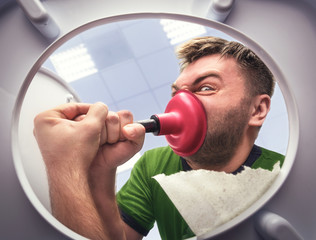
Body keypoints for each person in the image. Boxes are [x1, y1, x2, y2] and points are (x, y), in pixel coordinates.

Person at [33, 36, 285, 240]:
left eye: (206, 88)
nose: (180, 104)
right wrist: (98, 170)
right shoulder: (153, 165)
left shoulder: (286, 174)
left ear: (257, 110)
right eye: (176, 94)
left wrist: (63, 164)